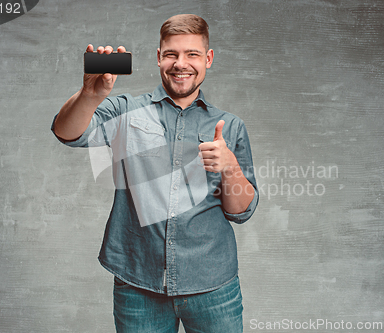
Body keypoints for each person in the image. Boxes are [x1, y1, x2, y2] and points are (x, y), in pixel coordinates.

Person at [51, 14, 259, 333]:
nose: (181, 64)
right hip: (138, 283)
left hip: (213, 286)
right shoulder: (126, 110)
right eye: (172, 54)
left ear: (208, 59)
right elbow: (68, 133)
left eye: (192, 54)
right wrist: (89, 95)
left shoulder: (229, 126)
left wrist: (229, 166)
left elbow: (241, 212)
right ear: (159, 57)